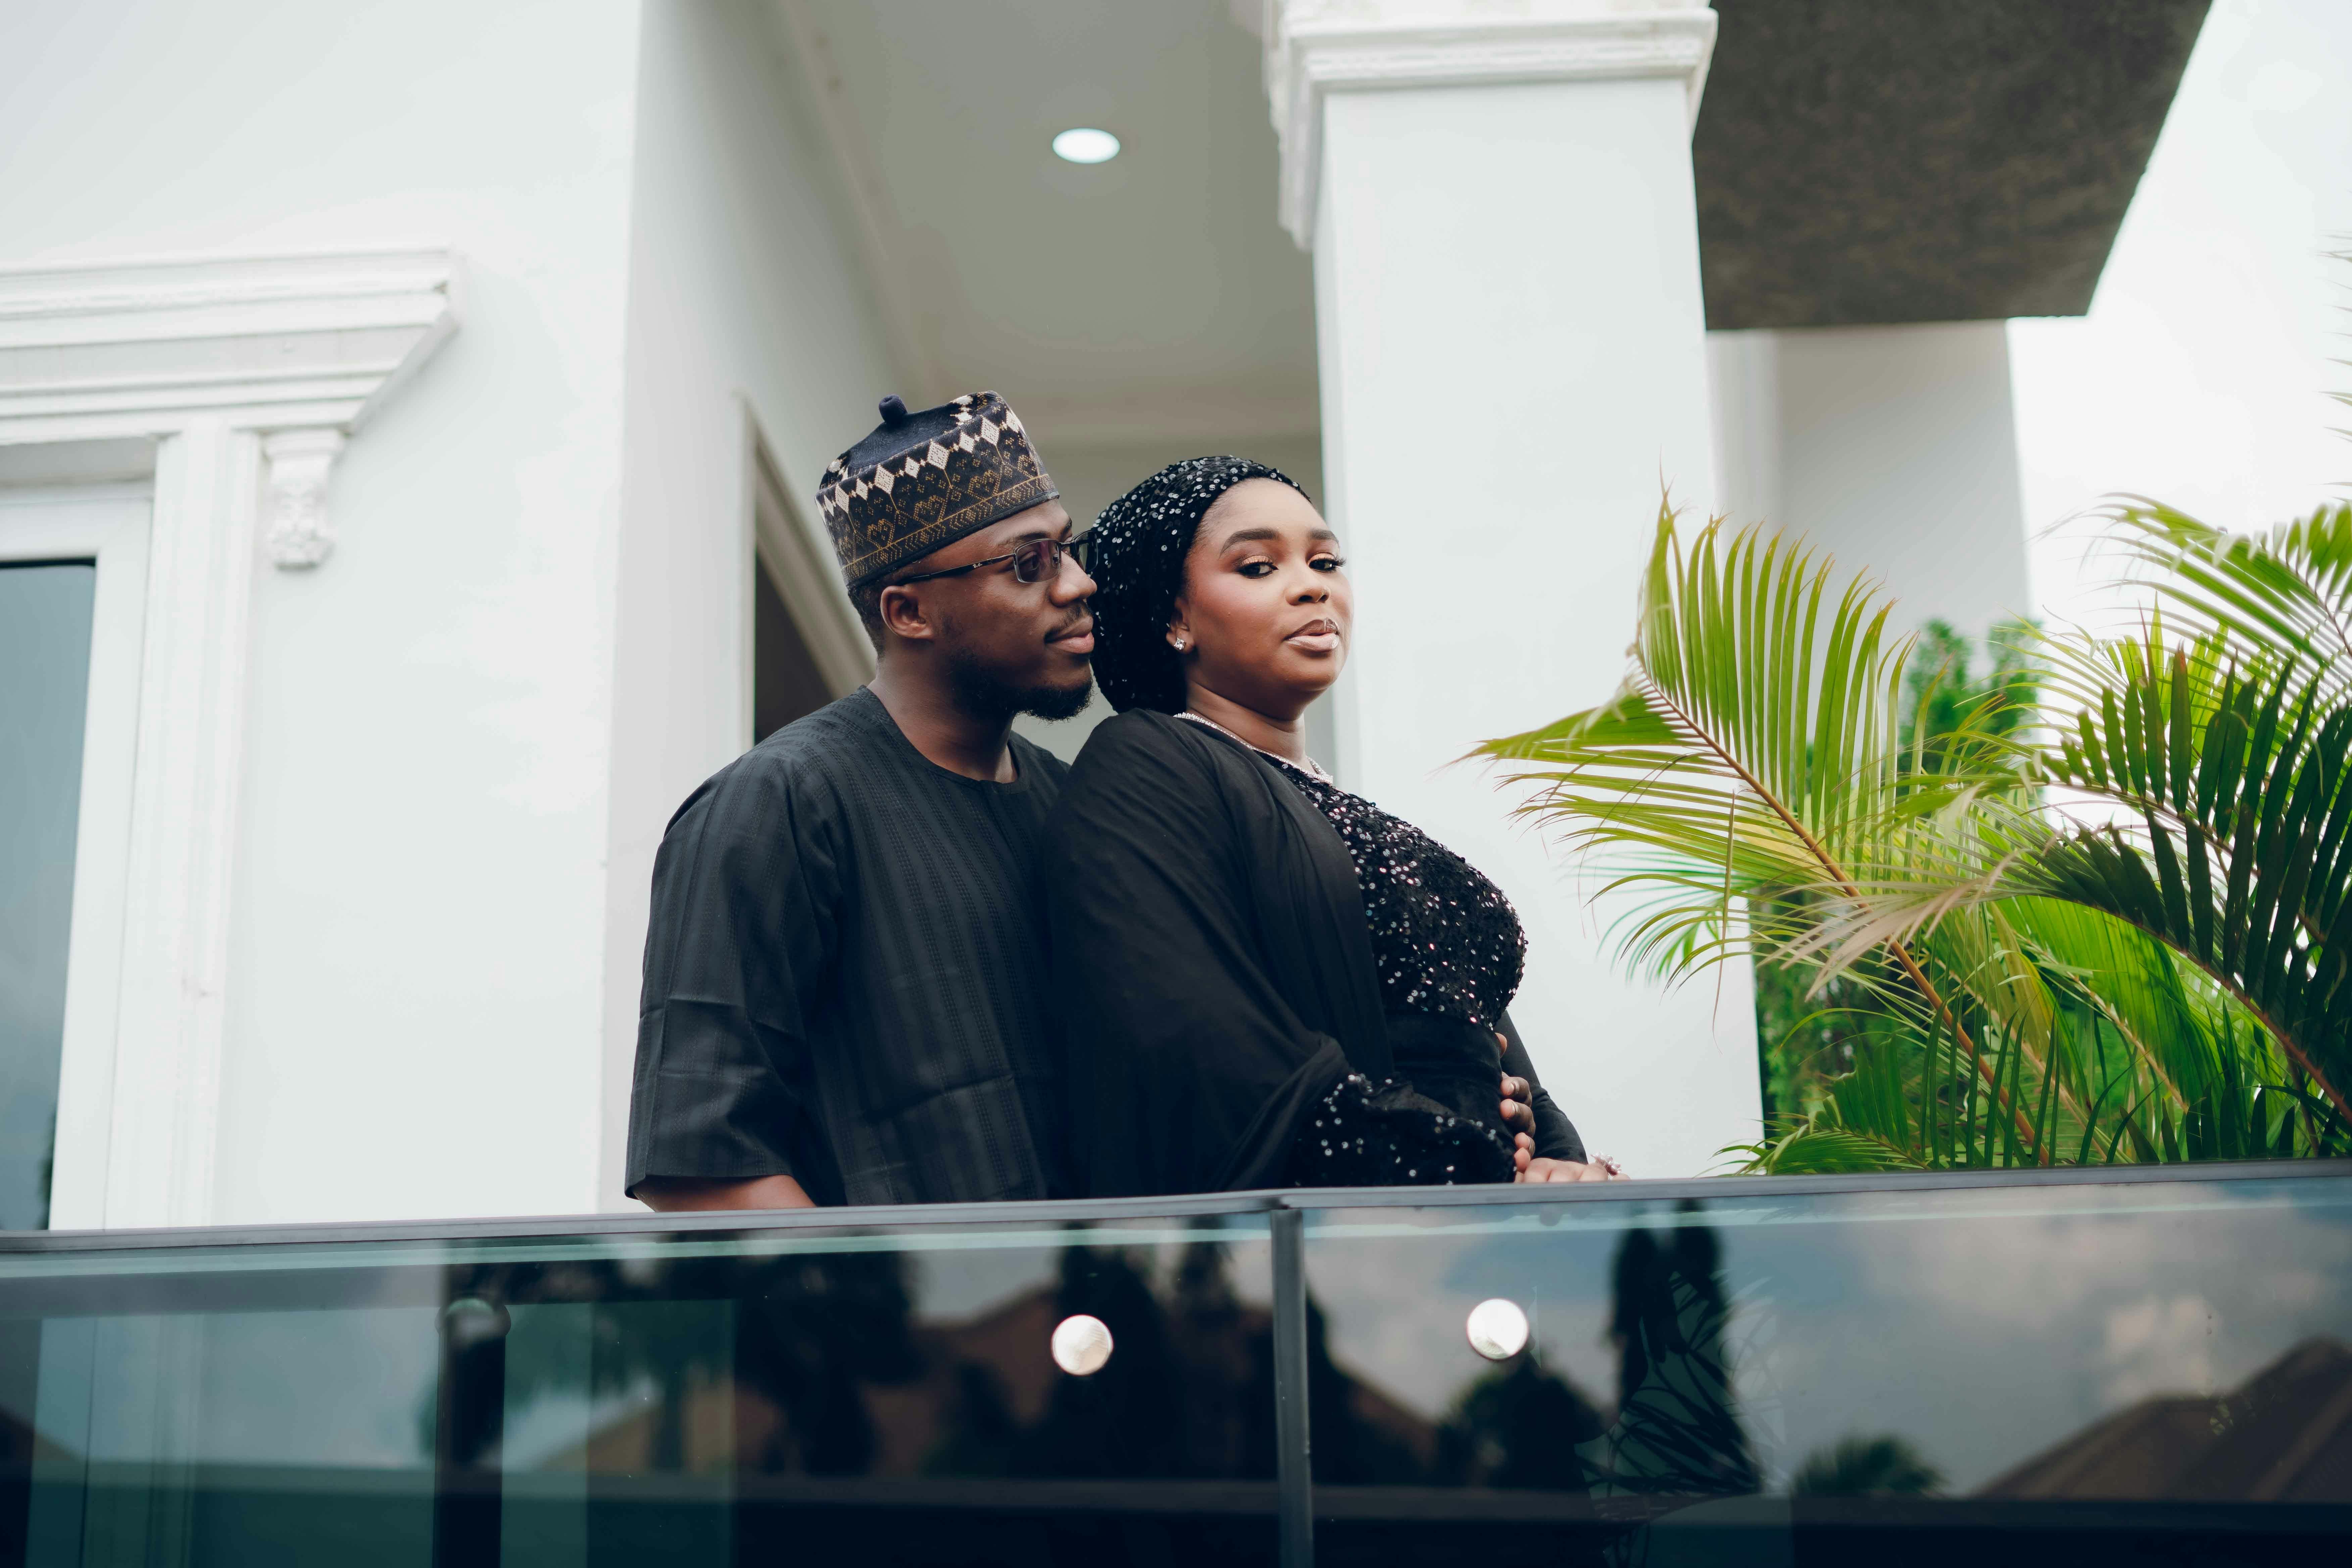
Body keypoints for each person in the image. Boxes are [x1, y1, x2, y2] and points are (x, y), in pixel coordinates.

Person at [1045, 456, 1619, 1197]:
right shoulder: (1148, 762)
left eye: (1326, 561)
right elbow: (1195, 1045)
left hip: (1483, 1242)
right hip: (1338, 1247)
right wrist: (1459, 1159)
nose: (1312, 584)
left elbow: (1495, 1056)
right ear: (1174, 617)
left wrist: (1559, 1166)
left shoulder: (1358, 819)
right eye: (1257, 565)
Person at [623, 391, 1099, 1210]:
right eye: (1030, 562)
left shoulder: (1070, 803)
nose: (1078, 584)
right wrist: (901, 1331)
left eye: (1067, 549)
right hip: (909, 1333)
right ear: (907, 611)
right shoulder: (777, 804)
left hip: (1098, 1325)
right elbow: (702, 1164)